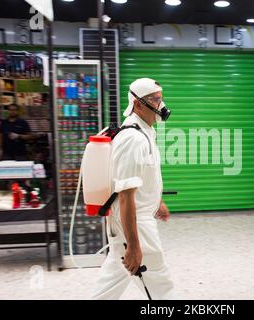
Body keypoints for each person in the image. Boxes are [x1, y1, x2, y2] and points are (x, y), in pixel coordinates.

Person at [92, 78, 176, 300]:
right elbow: (125, 196)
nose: (162, 105)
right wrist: (134, 246)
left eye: (161, 99)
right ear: (138, 104)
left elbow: (142, 179)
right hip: (136, 225)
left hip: (135, 221)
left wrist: (157, 201)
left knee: (110, 284)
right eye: (156, 100)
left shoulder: (145, 131)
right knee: (160, 286)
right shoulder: (133, 138)